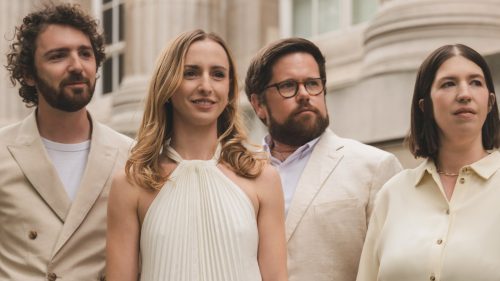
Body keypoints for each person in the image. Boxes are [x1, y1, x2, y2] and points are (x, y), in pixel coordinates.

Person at [106, 29, 288, 281]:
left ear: (229, 89)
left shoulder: (263, 178)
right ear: (167, 85)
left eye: (217, 74)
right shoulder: (131, 185)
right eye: (190, 73)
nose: (206, 86)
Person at [245, 38, 403, 281]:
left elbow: (395, 269)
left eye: (312, 83)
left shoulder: (375, 167)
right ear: (259, 104)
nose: (304, 94)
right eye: (288, 86)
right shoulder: (236, 172)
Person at [0, 3, 133, 281]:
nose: (77, 66)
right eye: (58, 56)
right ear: (28, 74)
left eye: (85, 54)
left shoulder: (130, 156)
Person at [356, 44, 500, 281]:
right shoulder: (392, 194)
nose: (465, 93)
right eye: (448, 83)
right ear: (426, 107)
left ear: (490, 102)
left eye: (475, 82)